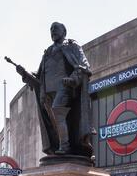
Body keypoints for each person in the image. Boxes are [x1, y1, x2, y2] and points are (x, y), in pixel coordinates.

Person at [16, 22, 93, 159]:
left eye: (56, 28)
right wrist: (24, 73)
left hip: (65, 87)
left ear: (64, 31)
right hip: (46, 93)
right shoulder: (47, 52)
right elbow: (38, 75)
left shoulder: (71, 45)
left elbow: (83, 65)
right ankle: (59, 146)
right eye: (51, 29)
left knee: (58, 111)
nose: (53, 31)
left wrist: (73, 79)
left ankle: (65, 146)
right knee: (53, 122)